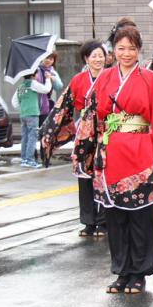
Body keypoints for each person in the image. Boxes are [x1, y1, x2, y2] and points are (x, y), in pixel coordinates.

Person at [76, 18, 153, 294]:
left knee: (140, 215)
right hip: (110, 152)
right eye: (121, 48)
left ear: (139, 50)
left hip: (140, 151)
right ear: (114, 50)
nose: (126, 54)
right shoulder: (105, 78)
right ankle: (121, 270)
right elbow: (92, 116)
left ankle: (139, 272)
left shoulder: (150, 79)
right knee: (115, 217)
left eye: (131, 48)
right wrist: (84, 151)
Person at [41, 40, 108, 237]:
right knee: (84, 176)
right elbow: (64, 105)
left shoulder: (112, 77)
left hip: (106, 133)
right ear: (86, 59)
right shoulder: (78, 80)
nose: (98, 59)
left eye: (101, 55)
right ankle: (88, 222)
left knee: (102, 175)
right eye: (94, 56)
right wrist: (50, 129)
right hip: (85, 133)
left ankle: (104, 221)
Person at [12, 70, 52, 168]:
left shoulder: (20, 86)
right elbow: (46, 89)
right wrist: (48, 79)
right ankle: (30, 159)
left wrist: (22, 108)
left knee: (25, 137)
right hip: (33, 114)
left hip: (23, 114)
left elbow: (14, 102)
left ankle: (24, 159)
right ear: (33, 75)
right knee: (32, 137)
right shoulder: (33, 84)